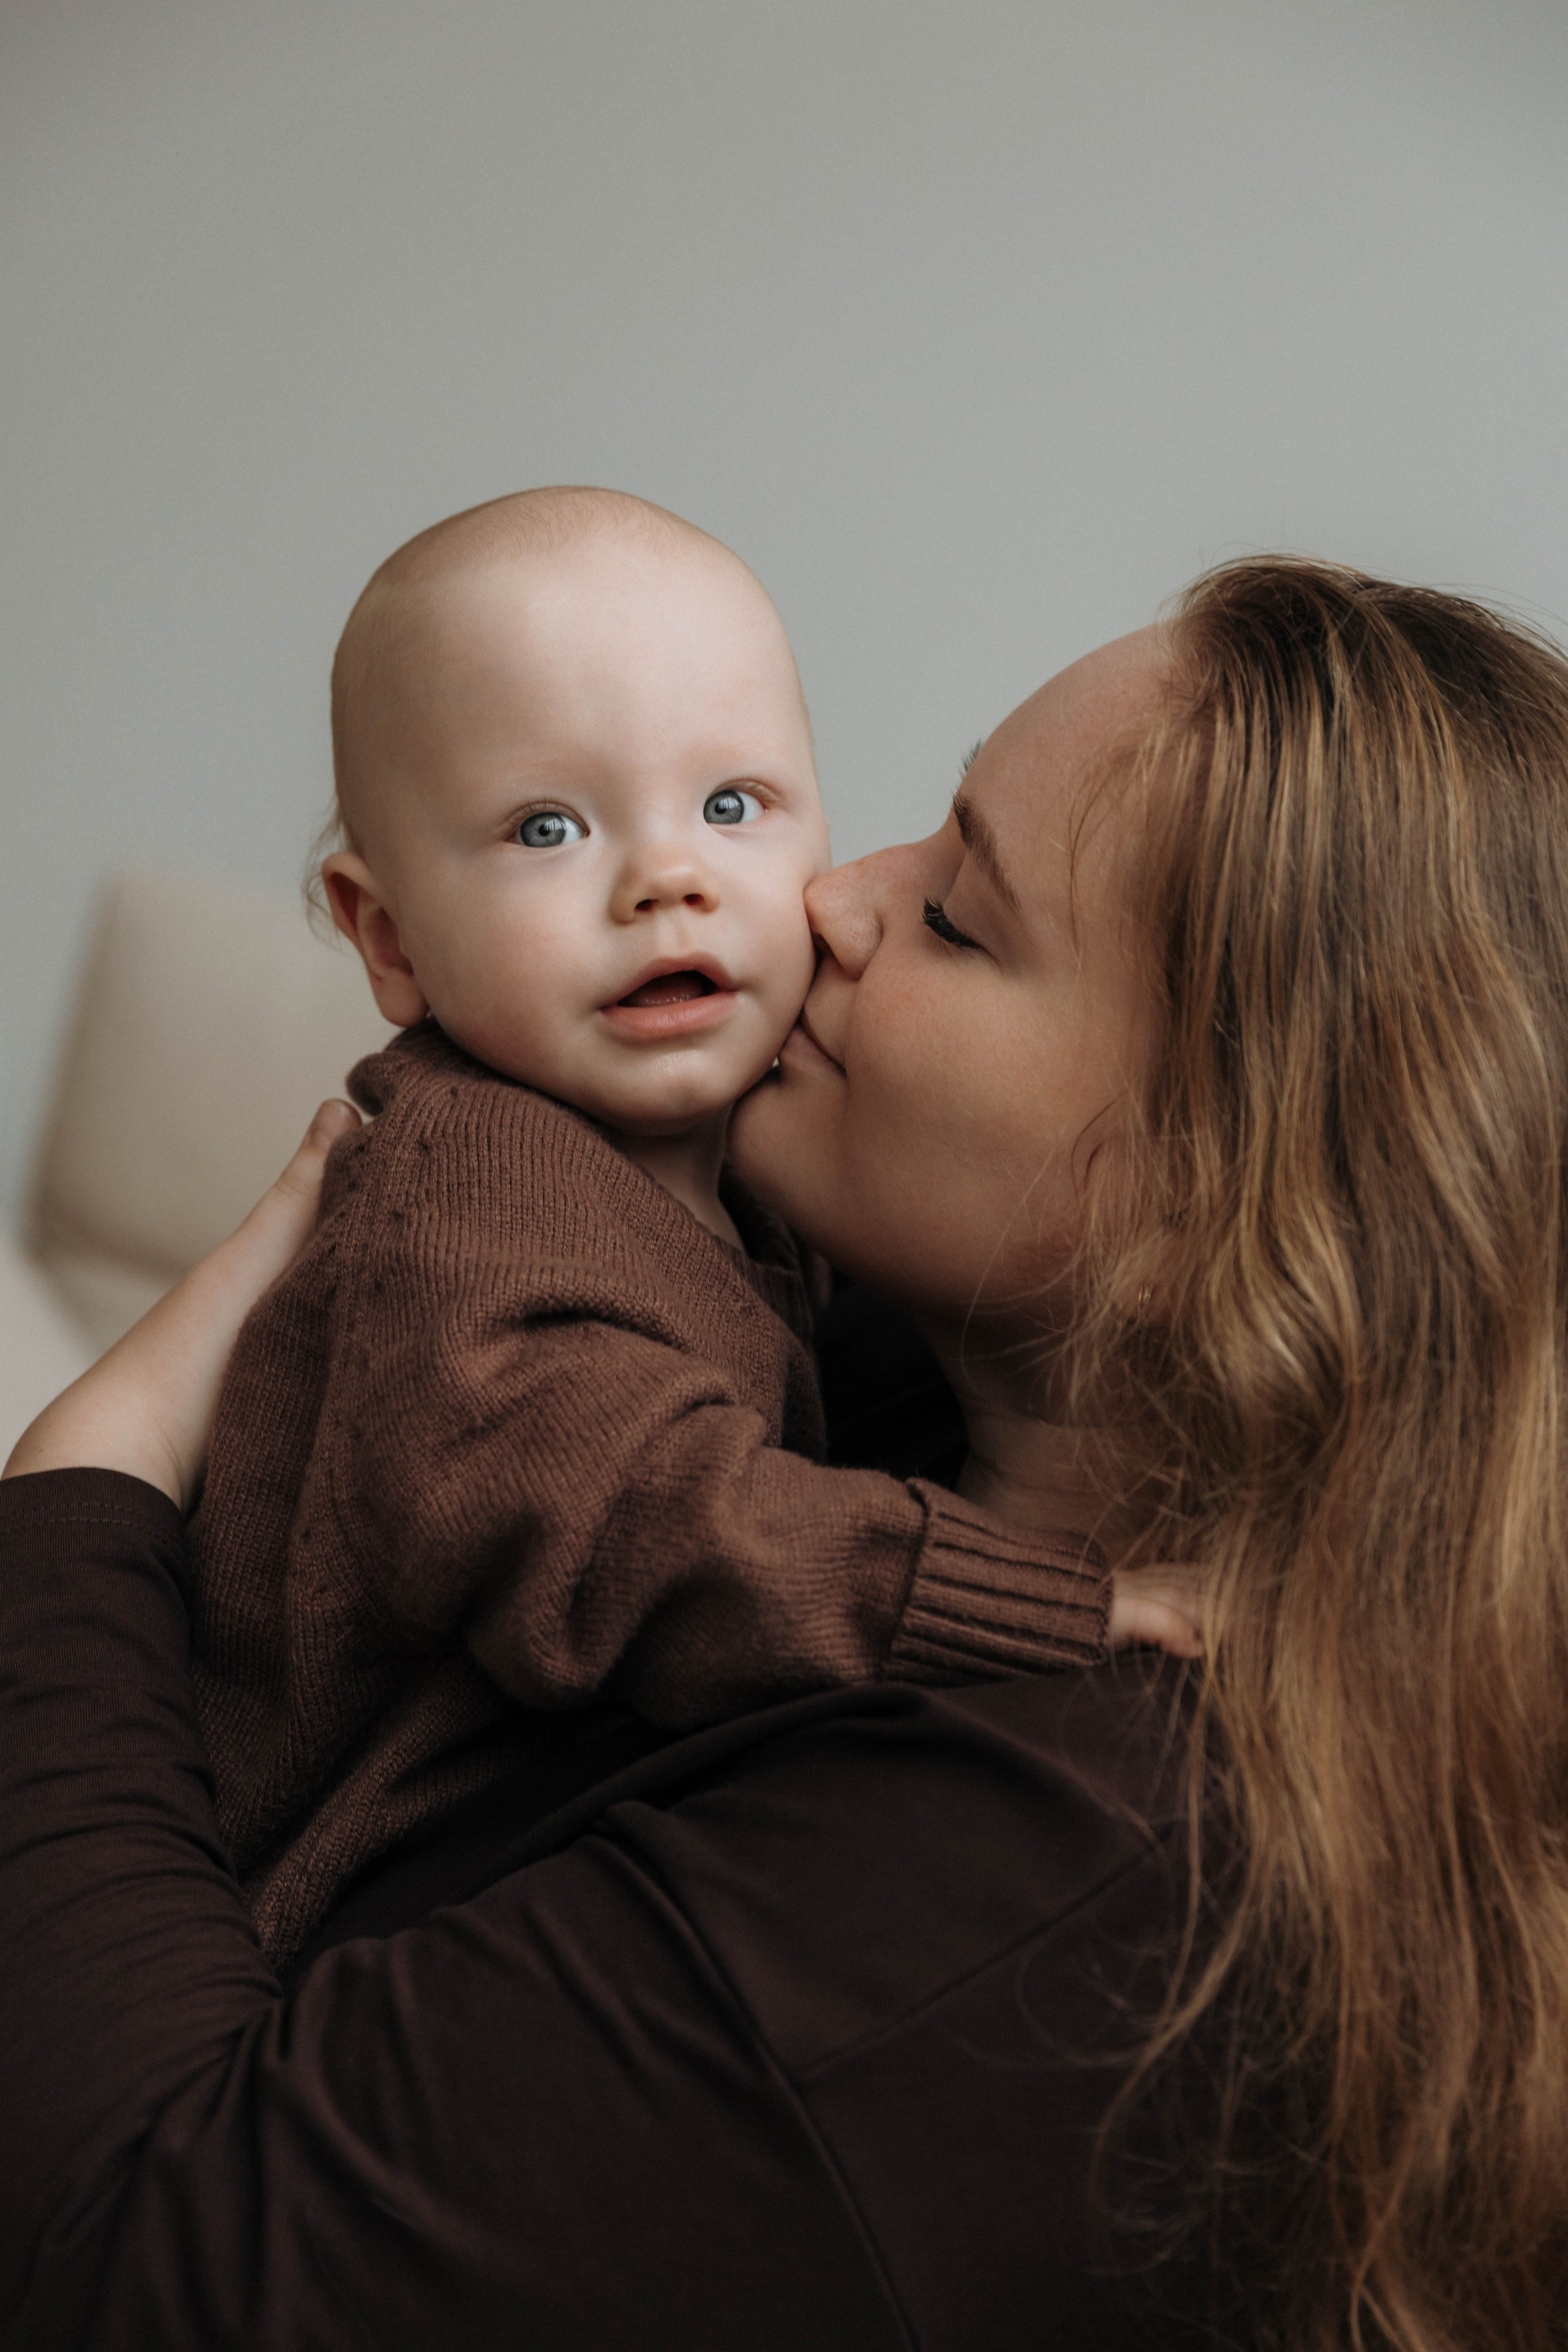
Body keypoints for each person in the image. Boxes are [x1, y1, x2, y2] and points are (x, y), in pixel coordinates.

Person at [6, 556, 1565, 2349]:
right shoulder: (861, 1363)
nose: (826, 903)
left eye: (964, 919)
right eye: (920, 830)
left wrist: (79, 1486)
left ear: (1224, 1210)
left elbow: (138, 2275)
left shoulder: (1046, 1877)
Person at [190, 483, 1136, 1967]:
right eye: (547, 827)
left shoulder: (750, 1156)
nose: (666, 878)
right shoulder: (472, 1193)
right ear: (387, 938)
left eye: (731, 805)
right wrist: (1058, 1602)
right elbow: (643, 1535)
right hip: (301, 1921)